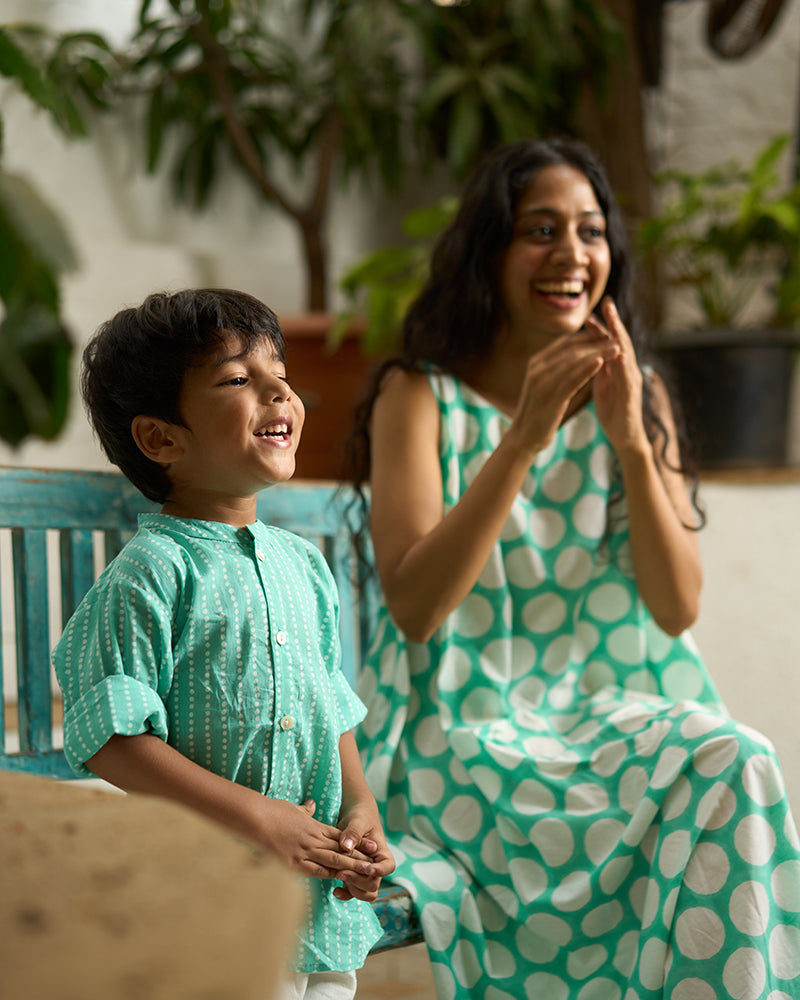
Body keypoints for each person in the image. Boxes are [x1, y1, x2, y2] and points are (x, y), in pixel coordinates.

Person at [347, 140, 800, 999]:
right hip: (460, 732)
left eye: (590, 232)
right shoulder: (420, 396)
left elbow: (676, 608)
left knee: (736, 758)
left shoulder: (639, 396)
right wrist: (524, 438)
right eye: (539, 230)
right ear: (488, 254)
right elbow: (414, 608)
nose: (571, 255)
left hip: (603, 719)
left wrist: (629, 436)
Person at [53, 288, 394, 1000]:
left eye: (280, 374)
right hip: (208, 896)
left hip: (317, 901)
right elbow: (108, 736)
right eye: (239, 380)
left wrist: (360, 807)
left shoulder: (303, 564)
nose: (279, 392)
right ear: (162, 439)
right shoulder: (152, 573)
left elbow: (330, 707)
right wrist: (260, 818)